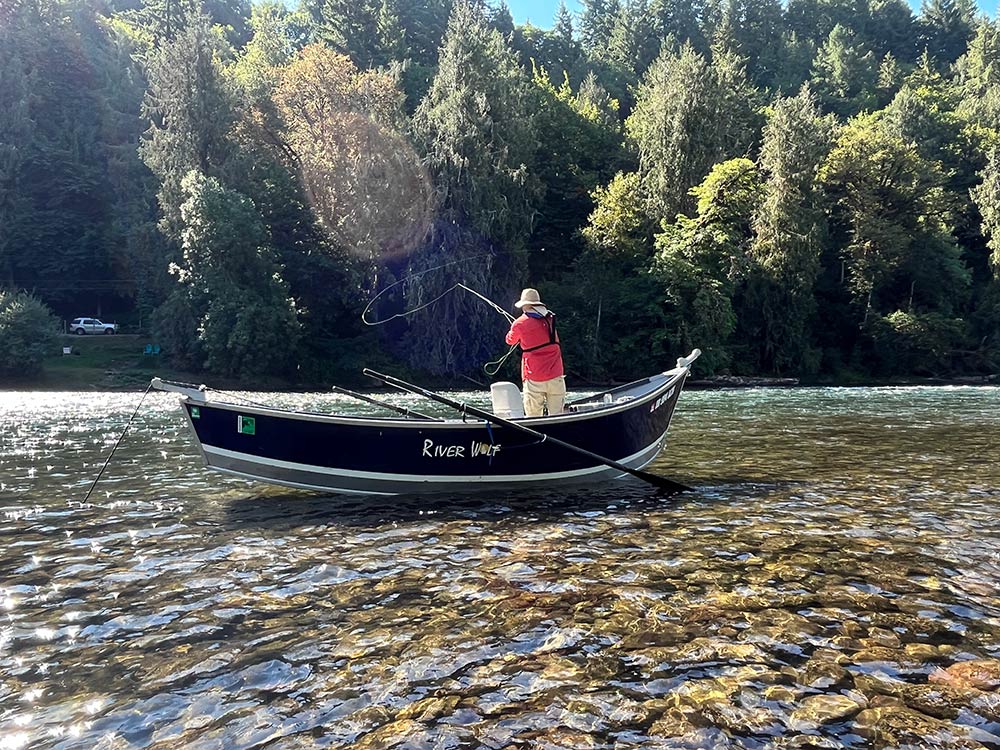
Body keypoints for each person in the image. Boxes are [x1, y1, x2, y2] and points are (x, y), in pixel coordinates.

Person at [505, 288, 566, 417]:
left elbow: (510, 340)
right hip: (556, 375)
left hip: (534, 376)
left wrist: (514, 328)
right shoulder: (550, 319)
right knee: (558, 416)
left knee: (534, 416)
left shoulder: (519, 323)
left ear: (524, 305)